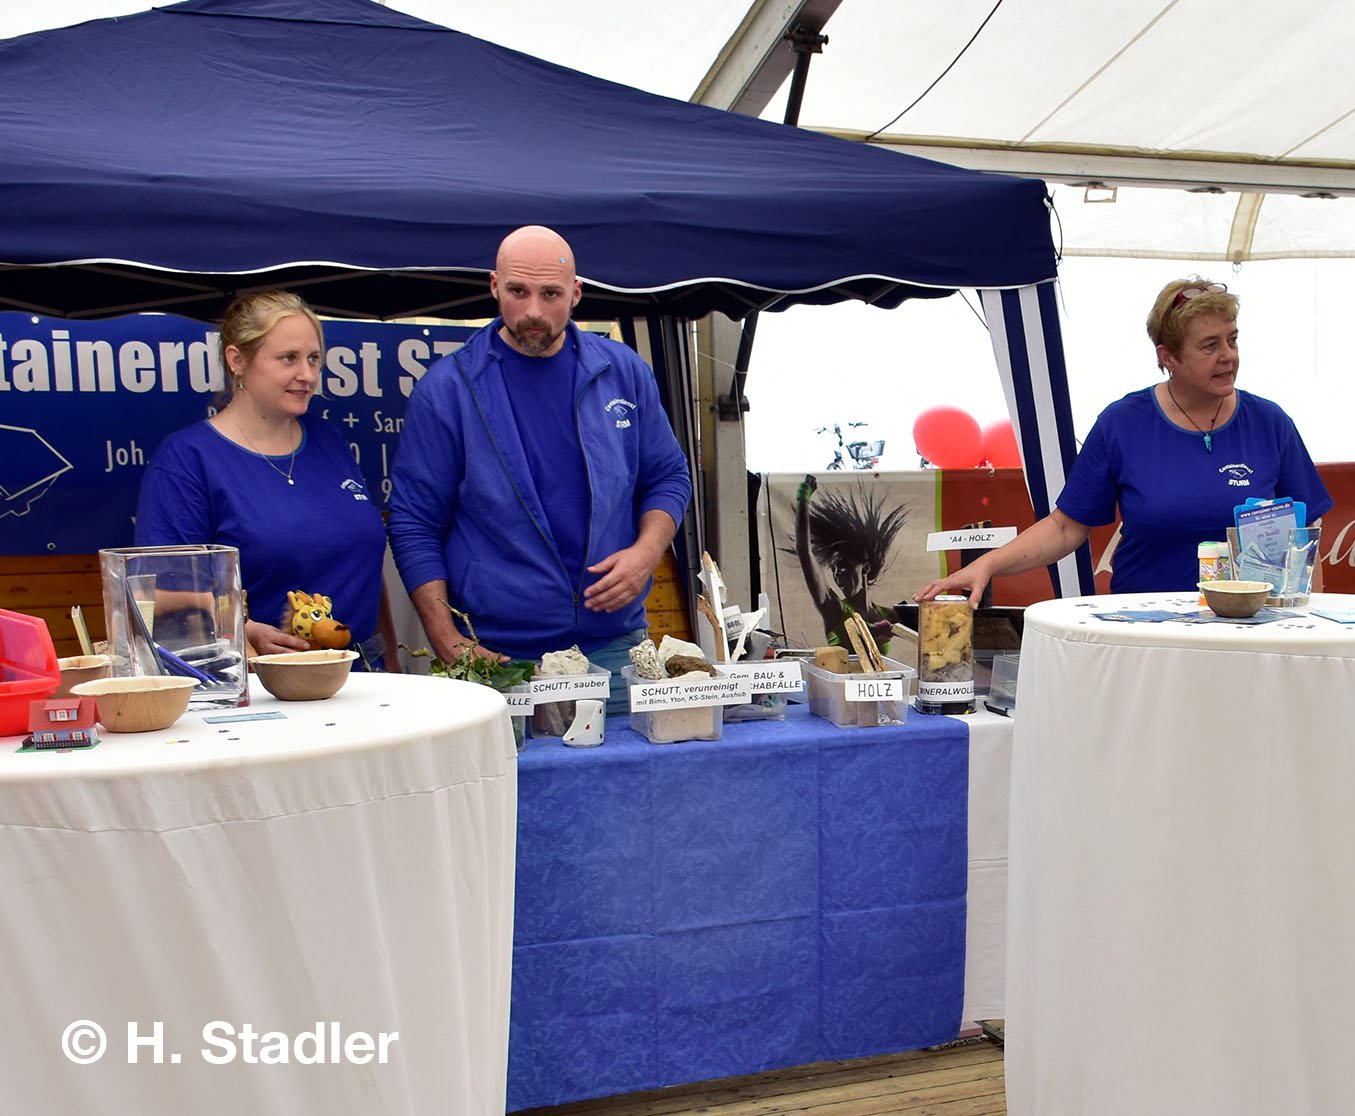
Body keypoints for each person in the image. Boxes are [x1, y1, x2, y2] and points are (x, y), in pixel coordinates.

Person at [388, 225, 692, 709]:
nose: (533, 311)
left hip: (616, 647)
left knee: (627, 762)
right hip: (496, 655)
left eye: (550, 294)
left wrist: (646, 552)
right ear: (494, 286)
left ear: (576, 294)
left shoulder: (623, 372)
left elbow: (668, 477)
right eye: (517, 291)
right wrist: (444, 635)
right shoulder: (447, 390)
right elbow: (414, 522)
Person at [915, 277, 1332, 605]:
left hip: (1249, 633)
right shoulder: (1123, 423)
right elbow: (1065, 527)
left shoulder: (1270, 422)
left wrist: (1312, 628)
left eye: (1232, 339)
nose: (1229, 355)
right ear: (1168, 356)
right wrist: (988, 565)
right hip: (1146, 629)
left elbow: (1308, 533)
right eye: (1210, 346)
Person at [135, 290, 396, 668]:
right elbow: (155, 596)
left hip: (362, 674)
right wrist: (243, 629)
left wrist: (391, 656)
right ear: (237, 360)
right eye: (289, 358)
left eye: (314, 359)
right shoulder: (187, 459)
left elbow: (364, 566)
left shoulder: (328, 439)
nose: (307, 375)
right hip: (262, 683)